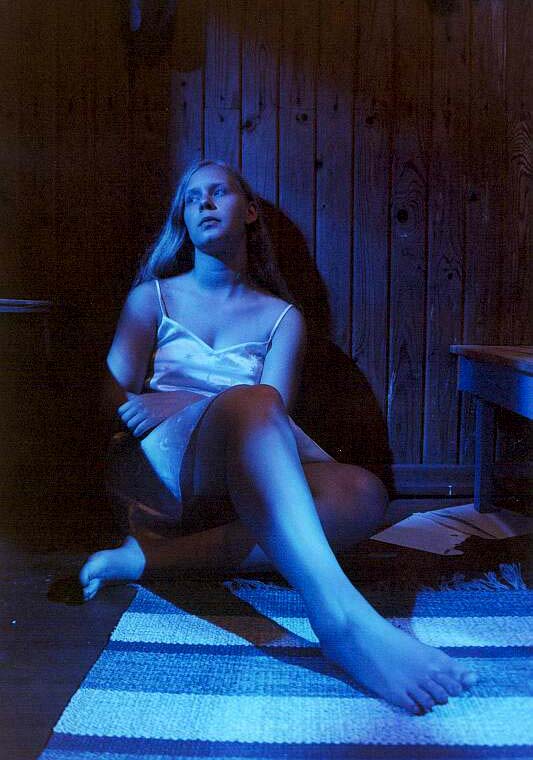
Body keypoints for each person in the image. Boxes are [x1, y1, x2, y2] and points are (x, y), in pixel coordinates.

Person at [79, 158, 477, 714]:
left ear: (249, 211)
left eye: (219, 192)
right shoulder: (154, 298)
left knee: (362, 493)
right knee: (254, 402)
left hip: (244, 469)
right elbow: (112, 398)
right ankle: (340, 619)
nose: (205, 203)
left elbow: (275, 414)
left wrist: (187, 398)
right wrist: (171, 407)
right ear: (183, 221)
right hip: (158, 468)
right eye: (192, 198)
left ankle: (150, 559)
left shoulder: (282, 316)